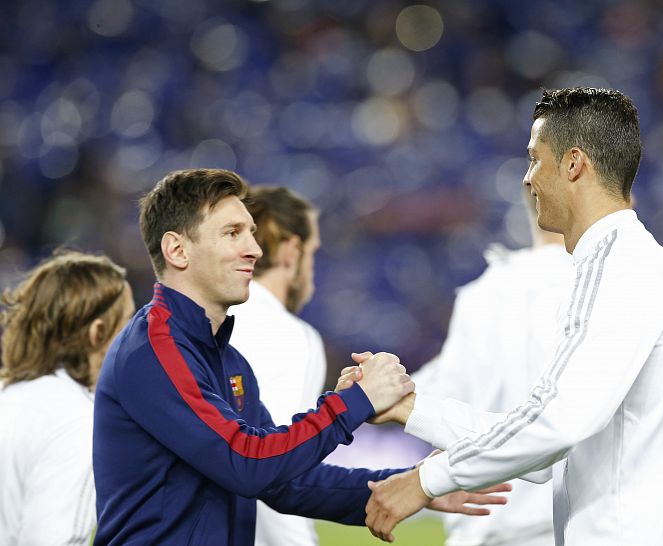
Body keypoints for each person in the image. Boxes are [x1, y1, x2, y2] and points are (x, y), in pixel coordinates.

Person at [348, 87, 663, 545]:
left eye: (534, 159)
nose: (528, 179)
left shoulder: (622, 270)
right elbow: (551, 447)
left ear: (573, 164)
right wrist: (410, 409)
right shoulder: (629, 265)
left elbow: (558, 423)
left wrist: (425, 479)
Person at [92, 168, 508, 546]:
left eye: (251, 232)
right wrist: (356, 402)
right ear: (177, 251)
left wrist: (411, 485)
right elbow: (245, 462)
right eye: (232, 232)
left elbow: (283, 483)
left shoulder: (227, 360)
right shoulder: (155, 349)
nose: (254, 249)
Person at [412, 192, 570, 546]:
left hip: (484, 523)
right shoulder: (609, 288)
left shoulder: (479, 294)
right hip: (572, 526)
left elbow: (439, 406)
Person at [0, 250, 134, 546]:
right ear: (97, 334)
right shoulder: (78, 422)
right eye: (127, 325)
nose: (135, 338)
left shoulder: (7, 394)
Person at [228, 186, 326, 546]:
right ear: (291, 250)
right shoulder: (289, 336)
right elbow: (275, 467)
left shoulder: (204, 319)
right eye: (312, 253)